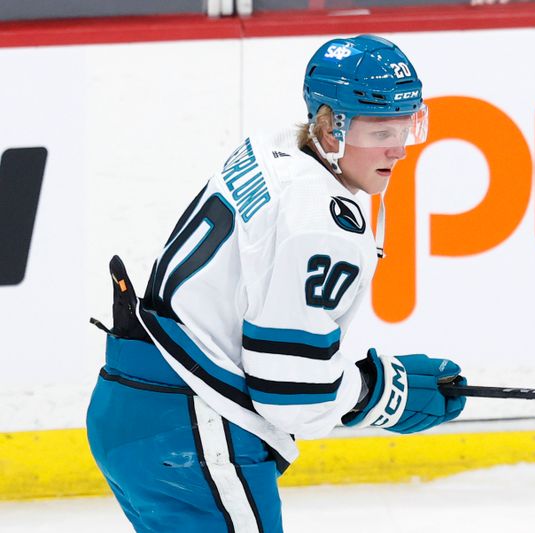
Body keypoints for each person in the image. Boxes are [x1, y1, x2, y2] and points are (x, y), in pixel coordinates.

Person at [86, 34, 467, 533]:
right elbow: (292, 395)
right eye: (380, 132)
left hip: (131, 403)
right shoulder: (320, 223)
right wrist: (380, 393)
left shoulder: (272, 147)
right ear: (331, 127)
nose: (398, 150)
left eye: (406, 126)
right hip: (191, 434)